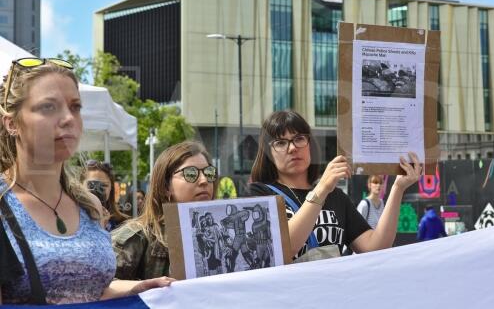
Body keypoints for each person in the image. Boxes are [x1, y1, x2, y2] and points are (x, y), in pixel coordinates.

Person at [0, 58, 172, 305]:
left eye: (75, 107)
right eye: (48, 107)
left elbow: (91, 290)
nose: (68, 118)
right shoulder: (4, 204)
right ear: (12, 123)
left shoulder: (89, 204)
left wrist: (136, 289)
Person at [246, 110, 421, 262]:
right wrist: (321, 190)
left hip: (330, 296)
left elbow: (375, 247)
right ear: (268, 153)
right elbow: (281, 248)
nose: (292, 148)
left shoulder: (335, 197)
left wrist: (398, 188)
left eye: (299, 139)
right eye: (281, 142)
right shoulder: (260, 194)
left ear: (310, 145)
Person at [112, 141, 217, 279]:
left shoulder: (222, 231)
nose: (204, 181)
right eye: (191, 174)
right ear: (166, 186)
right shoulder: (136, 237)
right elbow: (101, 286)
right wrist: (145, 288)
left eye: (209, 173)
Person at [81, 160, 129, 231]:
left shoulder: (121, 223)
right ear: (80, 186)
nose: (97, 190)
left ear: (111, 188)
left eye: (103, 185)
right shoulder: (72, 218)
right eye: (91, 185)